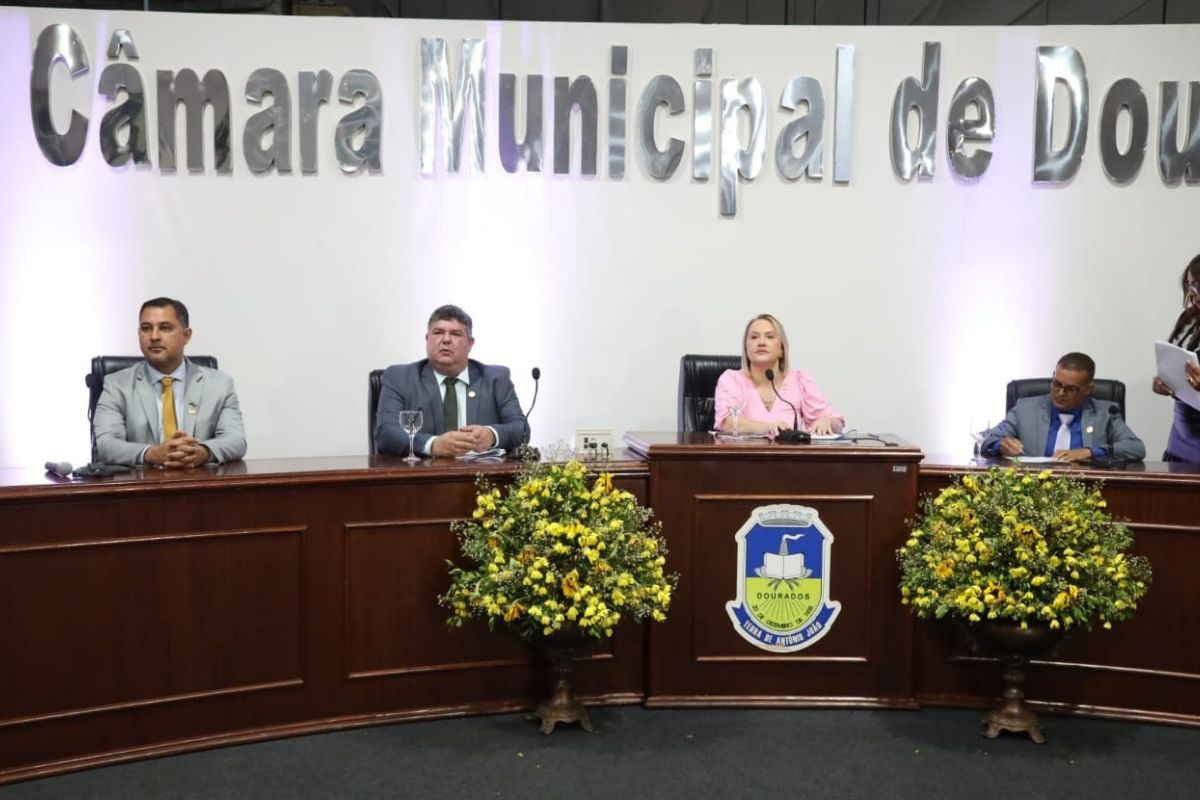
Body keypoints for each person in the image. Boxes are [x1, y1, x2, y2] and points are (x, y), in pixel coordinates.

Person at [93, 297, 247, 468]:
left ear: (186, 335)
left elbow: (236, 441)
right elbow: (106, 446)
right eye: (146, 328)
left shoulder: (219, 384)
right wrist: (153, 453)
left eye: (165, 328)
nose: (154, 336)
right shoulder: (116, 385)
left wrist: (202, 452)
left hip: (200, 485)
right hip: (140, 488)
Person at [375, 304, 527, 458]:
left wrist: (492, 435)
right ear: (427, 339)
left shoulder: (496, 379)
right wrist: (433, 444)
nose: (446, 340)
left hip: (480, 475)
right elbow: (386, 434)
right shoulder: (400, 378)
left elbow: (521, 429)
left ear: (470, 343)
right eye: (438, 332)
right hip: (422, 477)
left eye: (455, 334)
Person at [982, 352, 1145, 463]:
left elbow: (1136, 448)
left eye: (1071, 389)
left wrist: (1089, 452)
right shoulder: (1025, 409)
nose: (1060, 393)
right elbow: (987, 442)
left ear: (1088, 389)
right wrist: (1001, 445)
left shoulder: (1105, 413)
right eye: (1056, 384)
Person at [712, 313, 844, 437]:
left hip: (789, 460)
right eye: (754, 337)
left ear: (781, 349)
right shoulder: (731, 380)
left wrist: (827, 421)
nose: (761, 342)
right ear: (746, 349)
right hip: (743, 458)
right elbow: (727, 424)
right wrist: (767, 427)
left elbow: (837, 423)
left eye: (769, 336)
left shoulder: (799, 380)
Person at [1152, 254, 1200, 462]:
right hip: (1180, 439)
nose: (1193, 293)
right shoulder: (1189, 319)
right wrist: (1164, 382)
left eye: (1199, 285)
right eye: (1191, 285)